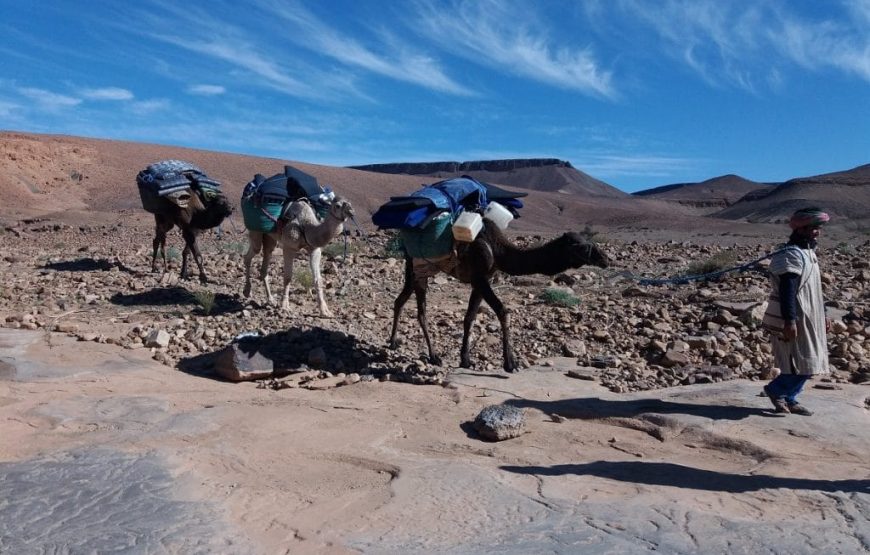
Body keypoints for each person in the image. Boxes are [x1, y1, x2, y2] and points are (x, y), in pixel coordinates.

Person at [763, 208, 831, 415]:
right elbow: (788, 289)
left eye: (818, 228)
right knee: (802, 361)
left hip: (812, 316)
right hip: (797, 316)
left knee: (810, 361)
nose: (816, 232)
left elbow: (814, 289)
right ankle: (776, 390)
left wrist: (824, 315)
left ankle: (790, 398)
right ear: (800, 229)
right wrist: (790, 320)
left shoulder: (807, 253)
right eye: (812, 228)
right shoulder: (790, 255)